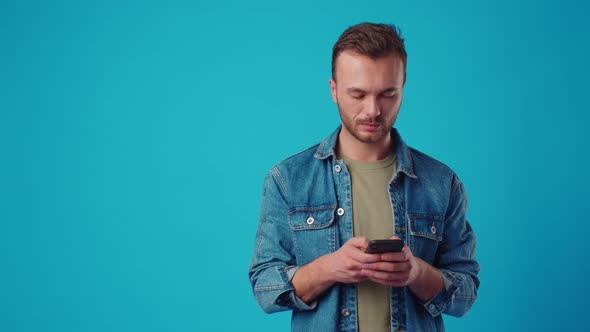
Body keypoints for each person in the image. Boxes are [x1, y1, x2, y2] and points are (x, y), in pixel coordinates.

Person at [248, 22, 480, 332]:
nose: (372, 110)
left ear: (403, 87)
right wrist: (329, 268)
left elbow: (466, 293)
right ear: (333, 90)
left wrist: (415, 273)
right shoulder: (288, 179)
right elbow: (265, 287)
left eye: (387, 94)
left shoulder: (442, 183)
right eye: (357, 94)